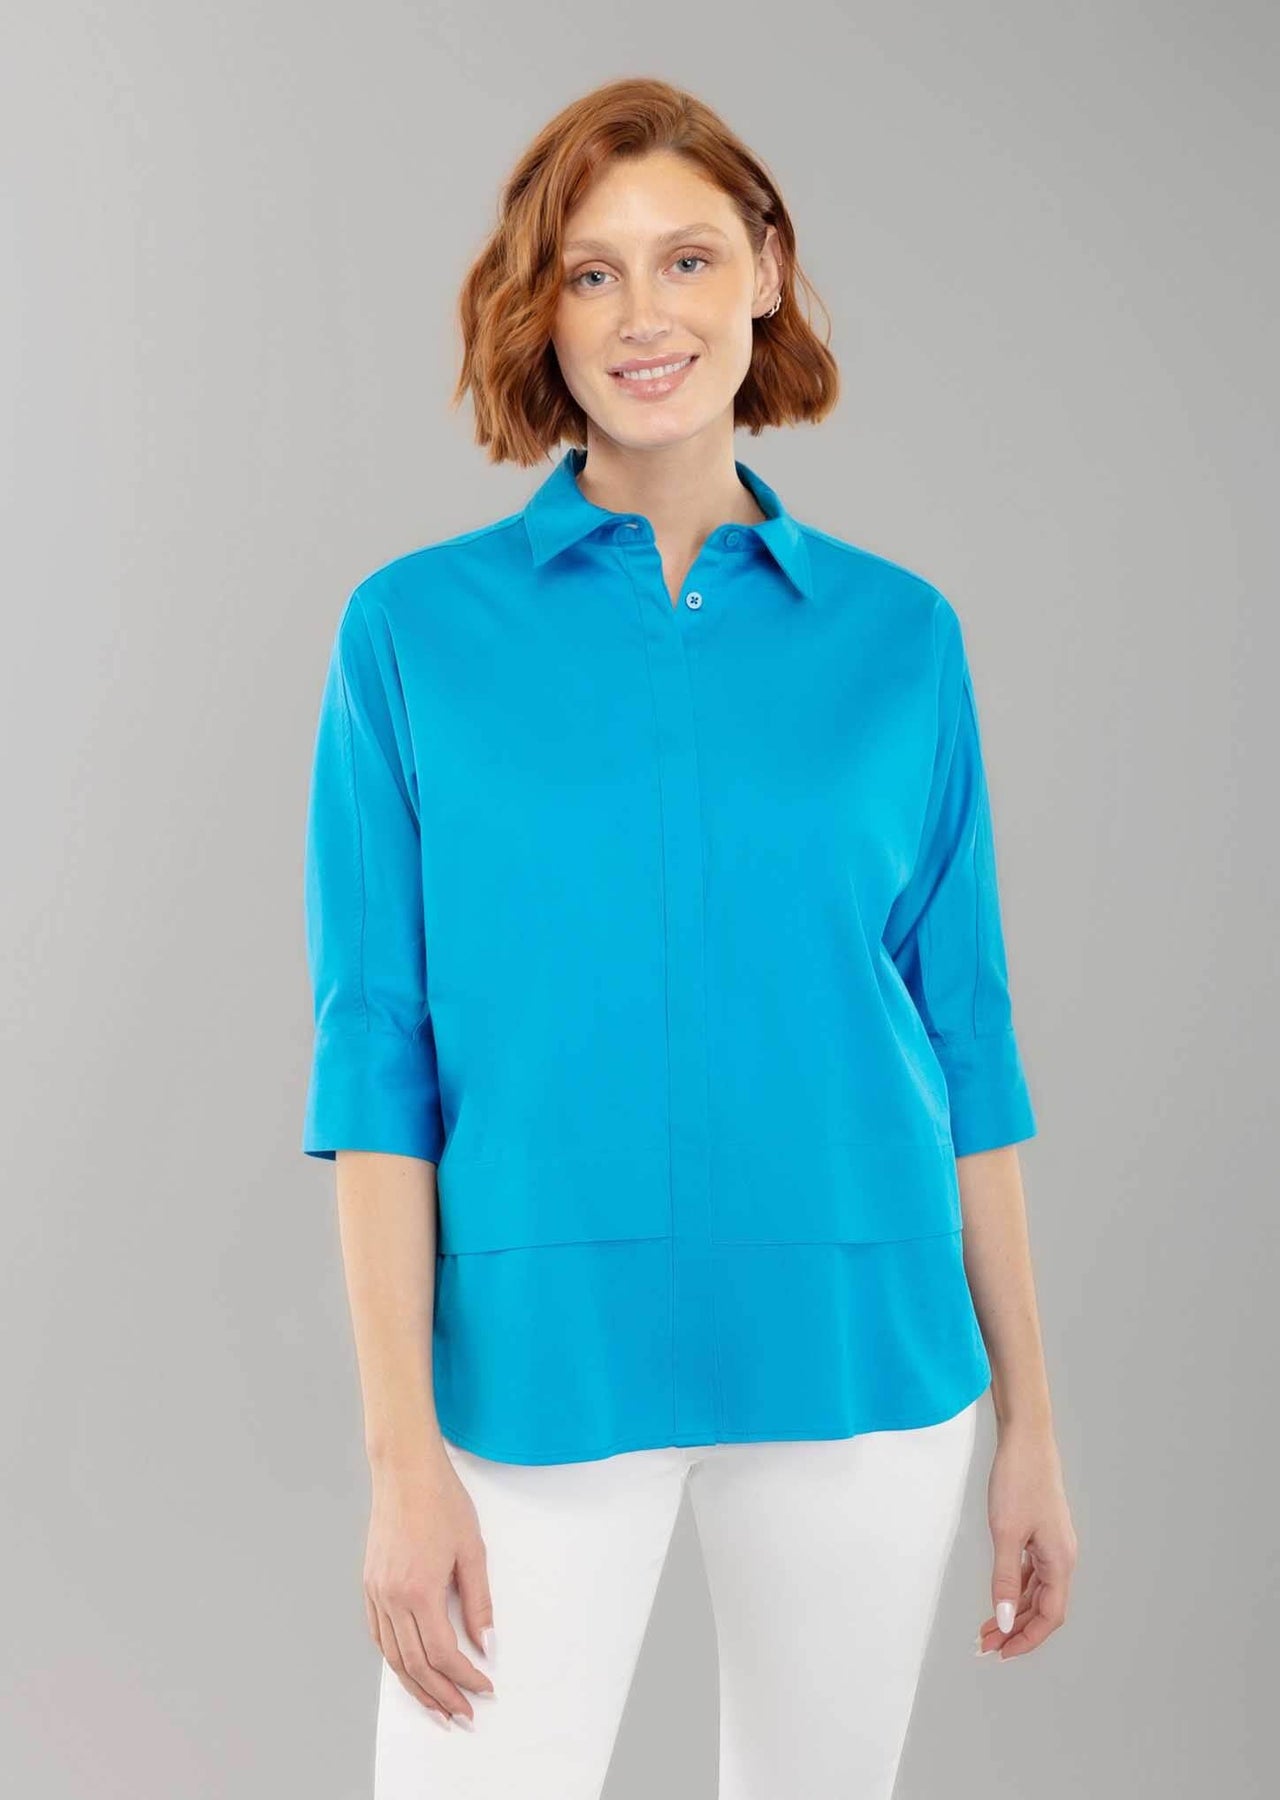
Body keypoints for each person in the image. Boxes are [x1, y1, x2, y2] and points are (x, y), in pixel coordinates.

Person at [300, 75, 1077, 1800]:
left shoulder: (902, 638)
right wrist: (400, 1456)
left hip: (865, 1355)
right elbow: (374, 1060)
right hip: (529, 1368)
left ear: (767, 271)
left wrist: (1033, 1425)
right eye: (591, 273)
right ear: (543, 310)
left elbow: (967, 1040)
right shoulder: (410, 633)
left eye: (687, 259)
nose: (642, 316)